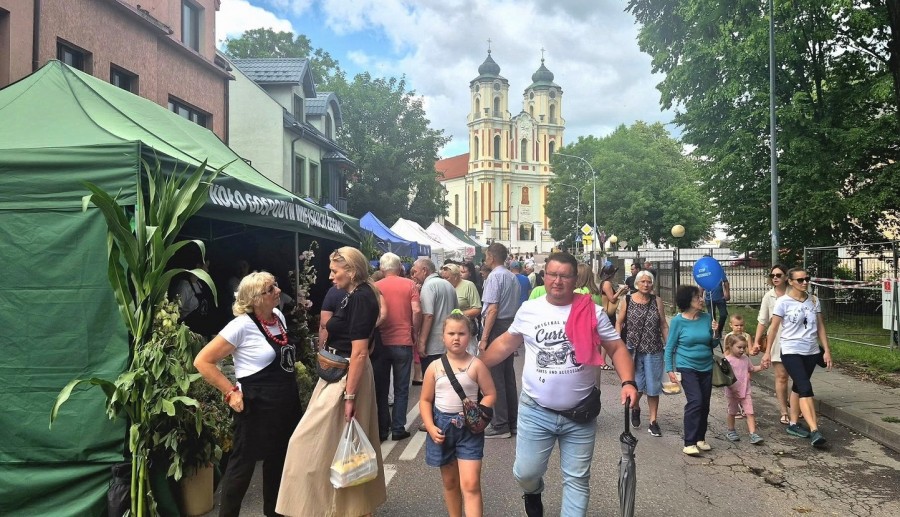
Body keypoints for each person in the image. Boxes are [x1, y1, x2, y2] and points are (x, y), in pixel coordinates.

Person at [480, 252, 637, 516]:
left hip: (581, 413)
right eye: (552, 274)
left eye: (564, 275)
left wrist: (628, 382)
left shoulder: (593, 311)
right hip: (535, 411)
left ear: (575, 279)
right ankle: (533, 492)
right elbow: (506, 343)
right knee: (525, 473)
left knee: (577, 479)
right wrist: (476, 365)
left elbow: (617, 347)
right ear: (545, 276)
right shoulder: (530, 309)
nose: (557, 281)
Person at [276, 247, 386, 516]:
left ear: (351, 270)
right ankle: (345, 508)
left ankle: (333, 507)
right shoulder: (356, 295)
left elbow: (360, 351)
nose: (330, 276)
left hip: (347, 376)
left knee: (308, 442)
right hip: (342, 374)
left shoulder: (360, 297)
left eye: (335, 271)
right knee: (338, 445)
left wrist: (350, 395)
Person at [194, 272, 301, 517]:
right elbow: (203, 361)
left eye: (275, 285)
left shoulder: (279, 317)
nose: (277, 290)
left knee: (278, 461)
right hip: (255, 406)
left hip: (285, 403)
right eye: (270, 289)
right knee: (242, 466)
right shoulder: (241, 325)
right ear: (254, 299)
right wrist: (231, 392)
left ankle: (274, 512)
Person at [420, 310, 497, 517]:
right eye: (451, 333)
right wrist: (429, 425)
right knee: (450, 482)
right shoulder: (434, 367)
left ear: (469, 336)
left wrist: (480, 412)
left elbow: (490, 394)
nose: (456, 338)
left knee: (471, 484)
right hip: (442, 429)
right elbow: (425, 400)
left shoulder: (476, 365)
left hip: (469, 429)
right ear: (443, 337)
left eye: (461, 334)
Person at [761, 267, 833, 447]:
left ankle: (793, 424)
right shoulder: (783, 302)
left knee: (799, 387)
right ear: (791, 282)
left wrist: (827, 351)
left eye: (806, 279)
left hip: (811, 351)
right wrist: (768, 352)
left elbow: (821, 327)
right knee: (806, 387)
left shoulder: (814, 301)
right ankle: (815, 430)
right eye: (800, 280)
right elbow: (774, 328)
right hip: (791, 350)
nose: (805, 282)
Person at [665, 285, 718, 456]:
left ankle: (700, 439)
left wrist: (716, 333)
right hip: (686, 366)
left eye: (701, 297)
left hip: (706, 366)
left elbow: (712, 344)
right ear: (688, 301)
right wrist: (669, 369)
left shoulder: (706, 318)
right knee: (696, 401)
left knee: (705, 404)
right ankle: (689, 442)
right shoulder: (678, 321)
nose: (701, 300)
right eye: (697, 298)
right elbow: (670, 347)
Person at [375, 252, 421, 441]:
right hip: (403, 340)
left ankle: (382, 429)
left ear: (381, 268)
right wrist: (414, 332)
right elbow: (417, 310)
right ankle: (398, 428)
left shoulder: (375, 286)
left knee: (382, 388)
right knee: (402, 388)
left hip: (381, 342)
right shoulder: (409, 284)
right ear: (400, 267)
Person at [616, 270, 668, 437]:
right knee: (636, 385)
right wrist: (618, 345)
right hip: (633, 351)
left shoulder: (657, 301)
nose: (646, 284)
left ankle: (653, 421)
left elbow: (663, 325)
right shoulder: (628, 300)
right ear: (637, 283)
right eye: (643, 282)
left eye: (649, 282)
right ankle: (636, 408)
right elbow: (619, 322)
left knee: (653, 387)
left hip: (654, 349)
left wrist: (670, 345)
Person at [479, 242, 521, 439]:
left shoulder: (495, 277)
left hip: (497, 326)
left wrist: (484, 338)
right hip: (509, 324)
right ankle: (512, 421)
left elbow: (492, 309)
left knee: (495, 375)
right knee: (507, 375)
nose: (486, 259)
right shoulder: (512, 277)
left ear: (491, 257)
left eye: (487, 255)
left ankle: (500, 424)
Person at [754, 264, 791, 424]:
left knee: (798, 376)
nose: (775, 278)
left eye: (778, 275)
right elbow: (762, 321)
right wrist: (756, 341)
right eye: (772, 275)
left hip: (796, 339)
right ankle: (784, 411)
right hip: (776, 340)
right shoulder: (768, 296)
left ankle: (796, 404)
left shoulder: (795, 293)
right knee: (782, 376)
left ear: (786, 277)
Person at [411, 258, 459, 374]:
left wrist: (421, 342)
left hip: (433, 346)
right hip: (448, 343)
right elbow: (456, 312)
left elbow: (428, 315)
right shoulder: (448, 285)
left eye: (415, 272)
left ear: (424, 270)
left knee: (432, 382)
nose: (414, 276)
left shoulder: (428, 286)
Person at [723, 333, 766, 444]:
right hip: (732, 391)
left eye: (744, 347)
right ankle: (731, 431)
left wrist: (761, 367)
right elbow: (724, 377)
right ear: (730, 346)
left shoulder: (745, 358)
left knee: (750, 412)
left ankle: (753, 434)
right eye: (739, 347)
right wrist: (730, 387)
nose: (742, 350)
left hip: (745, 390)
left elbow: (751, 369)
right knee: (732, 411)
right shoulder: (727, 360)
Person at [701, 265, 730, 339]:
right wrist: (700, 298)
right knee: (711, 316)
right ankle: (713, 333)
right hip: (709, 298)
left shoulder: (718, 269)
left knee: (723, 315)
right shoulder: (704, 271)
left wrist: (727, 293)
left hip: (720, 297)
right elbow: (701, 286)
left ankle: (719, 331)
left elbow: (726, 282)